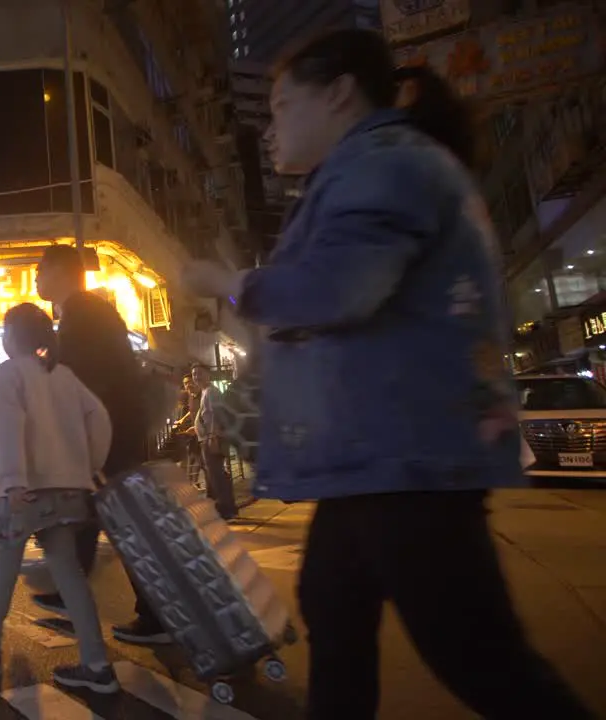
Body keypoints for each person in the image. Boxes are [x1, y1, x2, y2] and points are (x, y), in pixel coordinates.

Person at [182, 28, 592, 720]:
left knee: (477, 657)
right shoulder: (369, 167)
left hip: (405, 454)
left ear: (340, 93)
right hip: (375, 456)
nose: (269, 129)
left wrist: (232, 284)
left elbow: (339, 287)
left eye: (281, 106)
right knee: (335, 615)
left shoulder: (381, 165)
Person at [0, 303, 118, 694]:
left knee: (3, 565)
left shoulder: (7, 375)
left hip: (26, 490)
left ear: (11, 337)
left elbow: (8, 427)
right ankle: (97, 665)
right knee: (69, 572)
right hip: (69, 489)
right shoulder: (64, 375)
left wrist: (12, 480)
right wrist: (87, 466)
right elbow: (99, 419)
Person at [34, 243, 164, 644]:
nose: (36, 278)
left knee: (112, 522)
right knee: (96, 520)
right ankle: (80, 598)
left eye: (41, 270)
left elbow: (85, 381)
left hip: (107, 437)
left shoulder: (84, 314)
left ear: (60, 272)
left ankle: (152, 617)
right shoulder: (86, 313)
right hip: (110, 434)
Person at [192, 365, 236, 518]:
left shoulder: (211, 392)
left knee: (217, 475)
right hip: (208, 438)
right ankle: (225, 506)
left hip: (211, 439)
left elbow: (216, 416)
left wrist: (212, 437)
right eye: (194, 374)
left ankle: (226, 508)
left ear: (208, 374)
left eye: (199, 373)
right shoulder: (206, 392)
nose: (196, 377)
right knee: (216, 474)